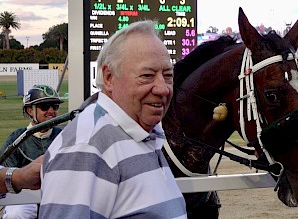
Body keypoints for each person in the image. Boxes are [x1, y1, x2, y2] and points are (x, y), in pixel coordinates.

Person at [40, 20, 187, 218]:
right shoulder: (87, 147)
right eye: (147, 75)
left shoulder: (143, 134)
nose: (163, 88)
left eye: (167, 75)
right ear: (109, 78)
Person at [0, 84, 63, 219]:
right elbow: (5, 174)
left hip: (59, 192)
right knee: (16, 214)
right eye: (45, 106)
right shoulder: (17, 138)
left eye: (55, 106)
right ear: (30, 110)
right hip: (24, 194)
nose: (51, 110)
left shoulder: (65, 135)